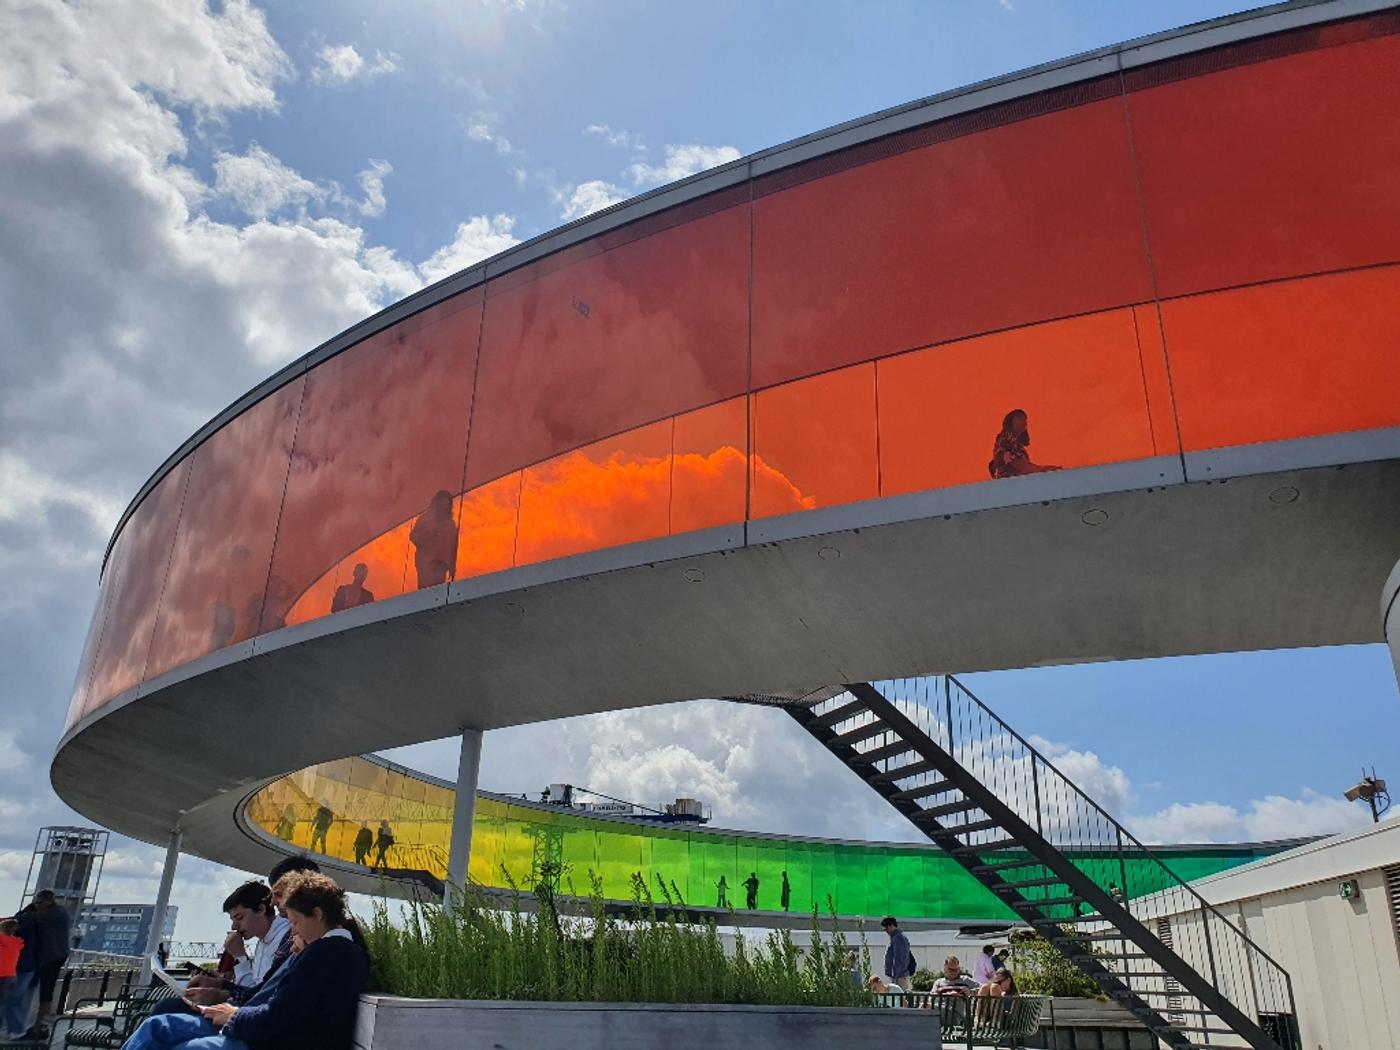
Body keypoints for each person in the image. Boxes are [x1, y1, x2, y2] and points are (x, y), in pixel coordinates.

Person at [121, 872, 368, 1050]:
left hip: (268, 1039)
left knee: (167, 1033)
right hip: (264, 1033)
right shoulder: (331, 951)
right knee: (161, 1027)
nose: (292, 931)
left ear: (317, 915)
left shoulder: (327, 953)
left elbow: (280, 1014)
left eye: (293, 922)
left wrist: (232, 1015)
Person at [17, 889, 69, 1039]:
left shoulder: (55, 913)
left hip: (52, 957)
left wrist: (30, 908)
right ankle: (37, 1025)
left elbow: (22, 919)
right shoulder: (55, 912)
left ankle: (39, 1026)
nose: (37, 905)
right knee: (43, 990)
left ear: (48, 901)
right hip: (49, 956)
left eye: (40, 903)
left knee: (46, 991)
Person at [988, 408, 1060, 479]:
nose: (1024, 423)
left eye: (1025, 420)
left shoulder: (1017, 444)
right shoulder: (1006, 440)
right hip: (1012, 478)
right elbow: (1013, 462)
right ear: (1012, 421)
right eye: (1019, 418)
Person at [409, 490, 456, 589]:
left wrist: (452, 566)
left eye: (447, 503)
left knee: (438, 593)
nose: (445, 505)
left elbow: (454, 546)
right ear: (437, 503)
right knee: (425, 592)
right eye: (443, 502)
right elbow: (414, 536)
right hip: (426, 562)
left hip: (441, 563)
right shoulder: (425, 519)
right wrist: (427, 537)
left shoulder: (450, 524)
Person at [0, 915, 35, 1039]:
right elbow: (20, 945)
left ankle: (10, 1029)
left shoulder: (2, 939)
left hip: (1, 975)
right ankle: (10, 1030)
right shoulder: (17, 942)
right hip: (11, 976)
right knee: (6, 1001)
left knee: (4, 1003)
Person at [880, 916, 916, 993]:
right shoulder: (895, 938)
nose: (885, 930)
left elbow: (899, 959)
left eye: (886, 927)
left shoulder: (899, 938)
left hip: (900, 976)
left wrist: (895, 975)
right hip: (898, 976)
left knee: (899, 999)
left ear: (892, 925)